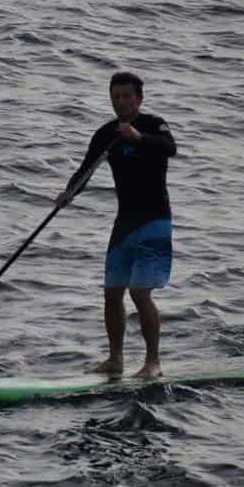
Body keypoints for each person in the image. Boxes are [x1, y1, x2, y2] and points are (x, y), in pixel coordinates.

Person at [55, 72, 176, 378]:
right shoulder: (105, 134)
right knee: (111, 293)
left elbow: (169, 147)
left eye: (126, 96)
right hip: (124, 222)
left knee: (139, 292)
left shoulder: (153, 125)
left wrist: (139, 138)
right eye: (116, 96)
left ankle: (153, 362)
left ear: (139, 99)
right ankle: (116, 359)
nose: (121, 102)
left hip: (154, 220)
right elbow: (85, 170)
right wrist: (69, 193)